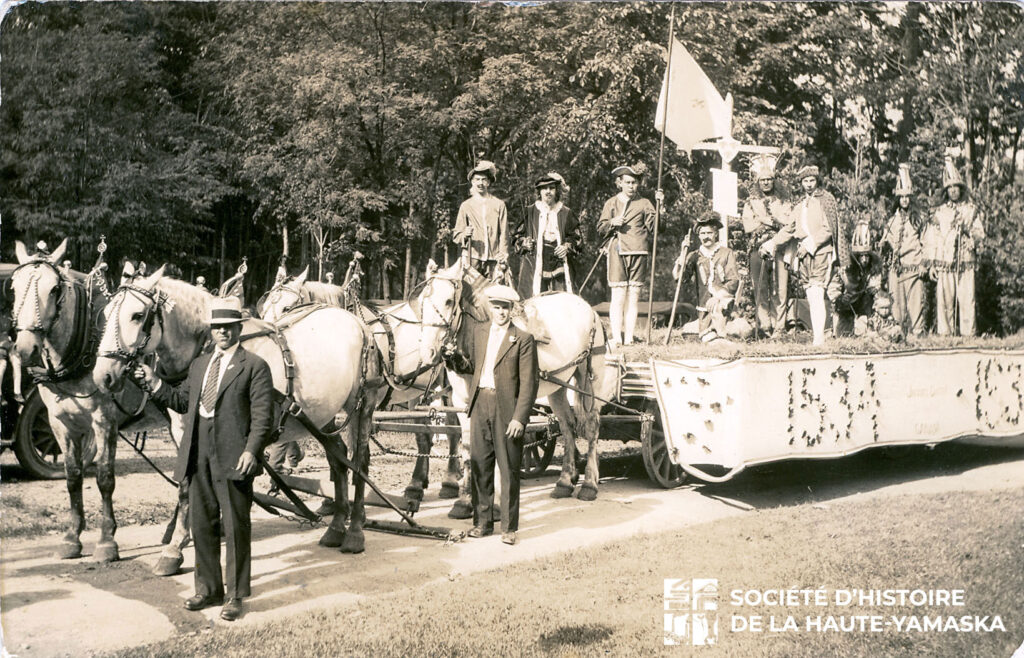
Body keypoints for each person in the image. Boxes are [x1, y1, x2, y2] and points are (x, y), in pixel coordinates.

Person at [136, 296, 275, 622]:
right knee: (201, 526)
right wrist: (154, 382)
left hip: (234, 457)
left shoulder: (254, 366)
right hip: (198, 455)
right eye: (217, 328)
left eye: (228, 327)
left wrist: (251, 451)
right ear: (211, 331)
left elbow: (262, 418)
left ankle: (235, 596)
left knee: (235, 528)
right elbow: (181, 401)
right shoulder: (199, 366)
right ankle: (209, 589)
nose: (222, 333)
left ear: (238, 329)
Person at [442, 284, 538, 546]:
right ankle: (482, 523)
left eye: (505, 308)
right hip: (480, 404)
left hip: (507, 410)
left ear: (512, 310)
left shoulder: (523, 339)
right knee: (480, 466)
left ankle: (508, 528)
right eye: (495, 307)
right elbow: (472, 368)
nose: (500, 312)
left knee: (508, 470)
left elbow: (529, 383)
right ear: (490, 308)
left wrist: (520, 417)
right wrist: (454, 359)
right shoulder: (479, 332)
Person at [763, 164, 850, 346]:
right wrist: (772, 243)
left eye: (812, 180)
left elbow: (828, 229)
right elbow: (790, 228)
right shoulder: (800, 205)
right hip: (803, 255)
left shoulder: (826, 200)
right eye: (805, 181)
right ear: (801, 183)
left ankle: (819, 339)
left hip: (821, 252)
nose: (809, 184)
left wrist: (810, 245)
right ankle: (818, 336)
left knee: (818, 293)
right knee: (811, 295)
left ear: (817, 181)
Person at [923, 158, 984, 336]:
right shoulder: (940, 212)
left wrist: (968, 232)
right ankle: (945, 335)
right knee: (944, 301)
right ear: (946, 191)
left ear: (961, 188)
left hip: (965, 261)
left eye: (956, 187)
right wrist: (932, 264)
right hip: (945, 261)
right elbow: (932, 238)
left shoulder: (971, 210)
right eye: (949, 188)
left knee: (967, 299)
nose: (953, 191)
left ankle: (968, 335)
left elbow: (980, 233)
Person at [597, 163, 657, 346]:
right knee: (618, 296)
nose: (632, 186)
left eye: (635, 183)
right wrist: (613, 222)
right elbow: (600, 229)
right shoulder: (611, 203)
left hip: (639, 251)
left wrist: (660, 208)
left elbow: (656, 228)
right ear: (619, 183)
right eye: (628, 182)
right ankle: (617, 336)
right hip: (617, 251)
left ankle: (629, 338)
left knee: (634, 296)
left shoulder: (645, 203)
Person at [741, 154, 794, 336]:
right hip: (757, 248)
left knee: (780, 288)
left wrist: (766, 220)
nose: (766, 183)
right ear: (758, 182)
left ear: (773, 181)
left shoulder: (783, 201)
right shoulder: (751, 202)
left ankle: (779, 326)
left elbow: (788, 223)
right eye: (762, 180)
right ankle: (765, 325)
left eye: (769, 180)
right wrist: (771, 222)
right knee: (760, 287)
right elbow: (748, 226)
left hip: (779, 248)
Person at [673, 217, 740, 343]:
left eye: (709, 233)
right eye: (702, 233)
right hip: (703, 308)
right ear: (699, 236)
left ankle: (723, 335)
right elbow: (682, 279)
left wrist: (718, 296)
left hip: (723, 304)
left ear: (715, 234)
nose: (706, 237)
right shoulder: (695, 256)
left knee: (723, 330)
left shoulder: (726, 253)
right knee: (701, 335)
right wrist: (683, 252)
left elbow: (733, 280)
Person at [514, 172, 581, 298]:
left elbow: (577, 238)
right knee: (533, 301)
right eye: (544, 188)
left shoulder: (566, 212)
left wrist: (566, 247)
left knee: (561, 300)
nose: (548, 191)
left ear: (557, 191)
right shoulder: (530, 211)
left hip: (559, 263)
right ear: (539, 192)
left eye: (552, 188)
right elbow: (516, 236)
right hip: (534, 262)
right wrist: (524, 243)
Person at [880, 163, 928, 336]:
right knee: (896, 305)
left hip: (914, 267)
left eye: (907, 197)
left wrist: (924, 263)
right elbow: (887, 244)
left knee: (915, 304)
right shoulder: (892, 220)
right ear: (897, 200)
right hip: (896, 269)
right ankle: (898, 335)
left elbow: (926, 243)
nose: (905, 200)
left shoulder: (918, 219)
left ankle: (917, 334)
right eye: (901, 197)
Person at [453, 160, 509, 281]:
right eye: (477, 179)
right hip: (472, 258)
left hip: (493, 259)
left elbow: (504, 233)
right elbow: (457, 234)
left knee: (495, 294)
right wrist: (465, 234)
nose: (480, 183)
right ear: (472, 182)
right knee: (470, 295)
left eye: (484, 179)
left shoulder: (499, 204)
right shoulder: (466, 206)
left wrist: (503, 254)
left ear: (488, 182)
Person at [833, 219, 882, 337]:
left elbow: (876, 286)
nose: (864, 260)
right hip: (847, 306)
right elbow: (834, 286)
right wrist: (839, 297)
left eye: (867, 256)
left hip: (865, 307)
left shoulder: (874, 269)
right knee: (844, 331)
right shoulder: (845, 268)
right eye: (861, 257)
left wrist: (873, 291)